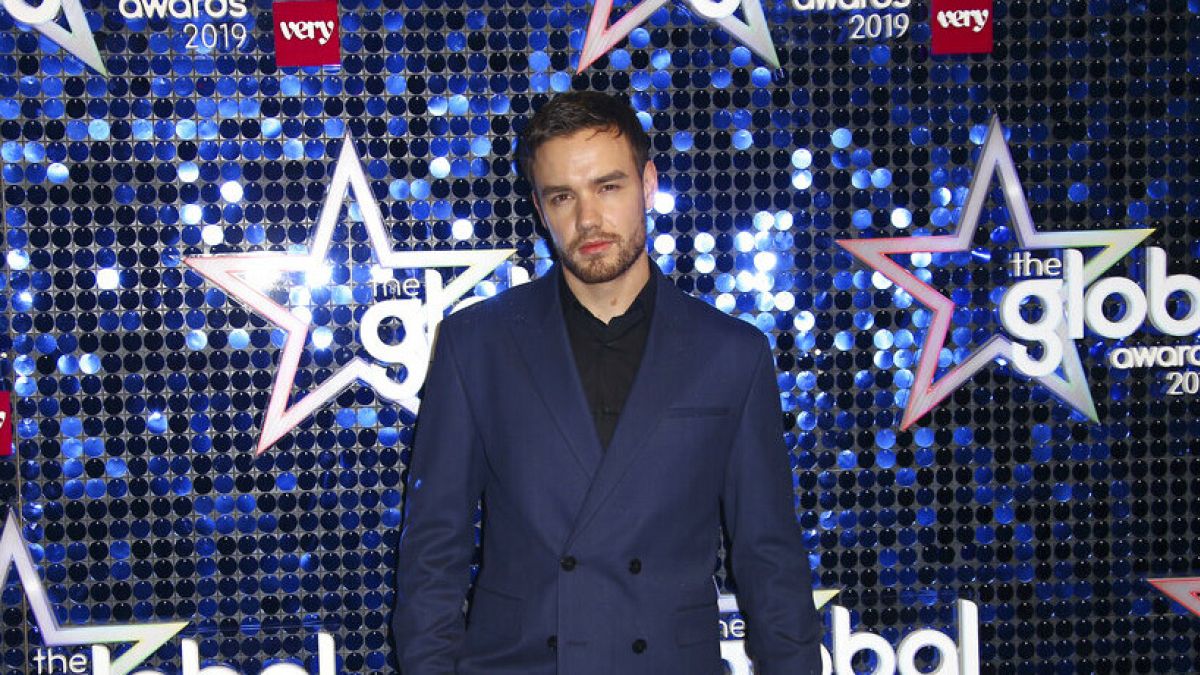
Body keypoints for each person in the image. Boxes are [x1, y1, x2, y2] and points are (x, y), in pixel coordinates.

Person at [391, 90, 824, 674]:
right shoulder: (476, 346)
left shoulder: (731, 354)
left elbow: (769, 558)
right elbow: (433, 554)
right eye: (562, 196)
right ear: (541, 209)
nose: (587, 220)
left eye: (608, 187)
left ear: (647, 185)